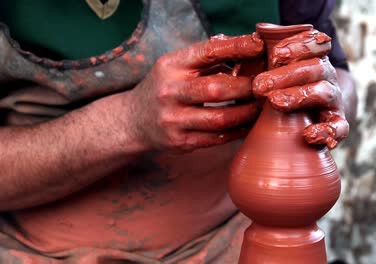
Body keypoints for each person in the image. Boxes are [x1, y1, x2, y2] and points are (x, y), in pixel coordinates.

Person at [0, 0, 357, 263]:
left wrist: (324, 97)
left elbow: (338, 76)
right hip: (35, 248)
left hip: (232, 237)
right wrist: (127, 123)